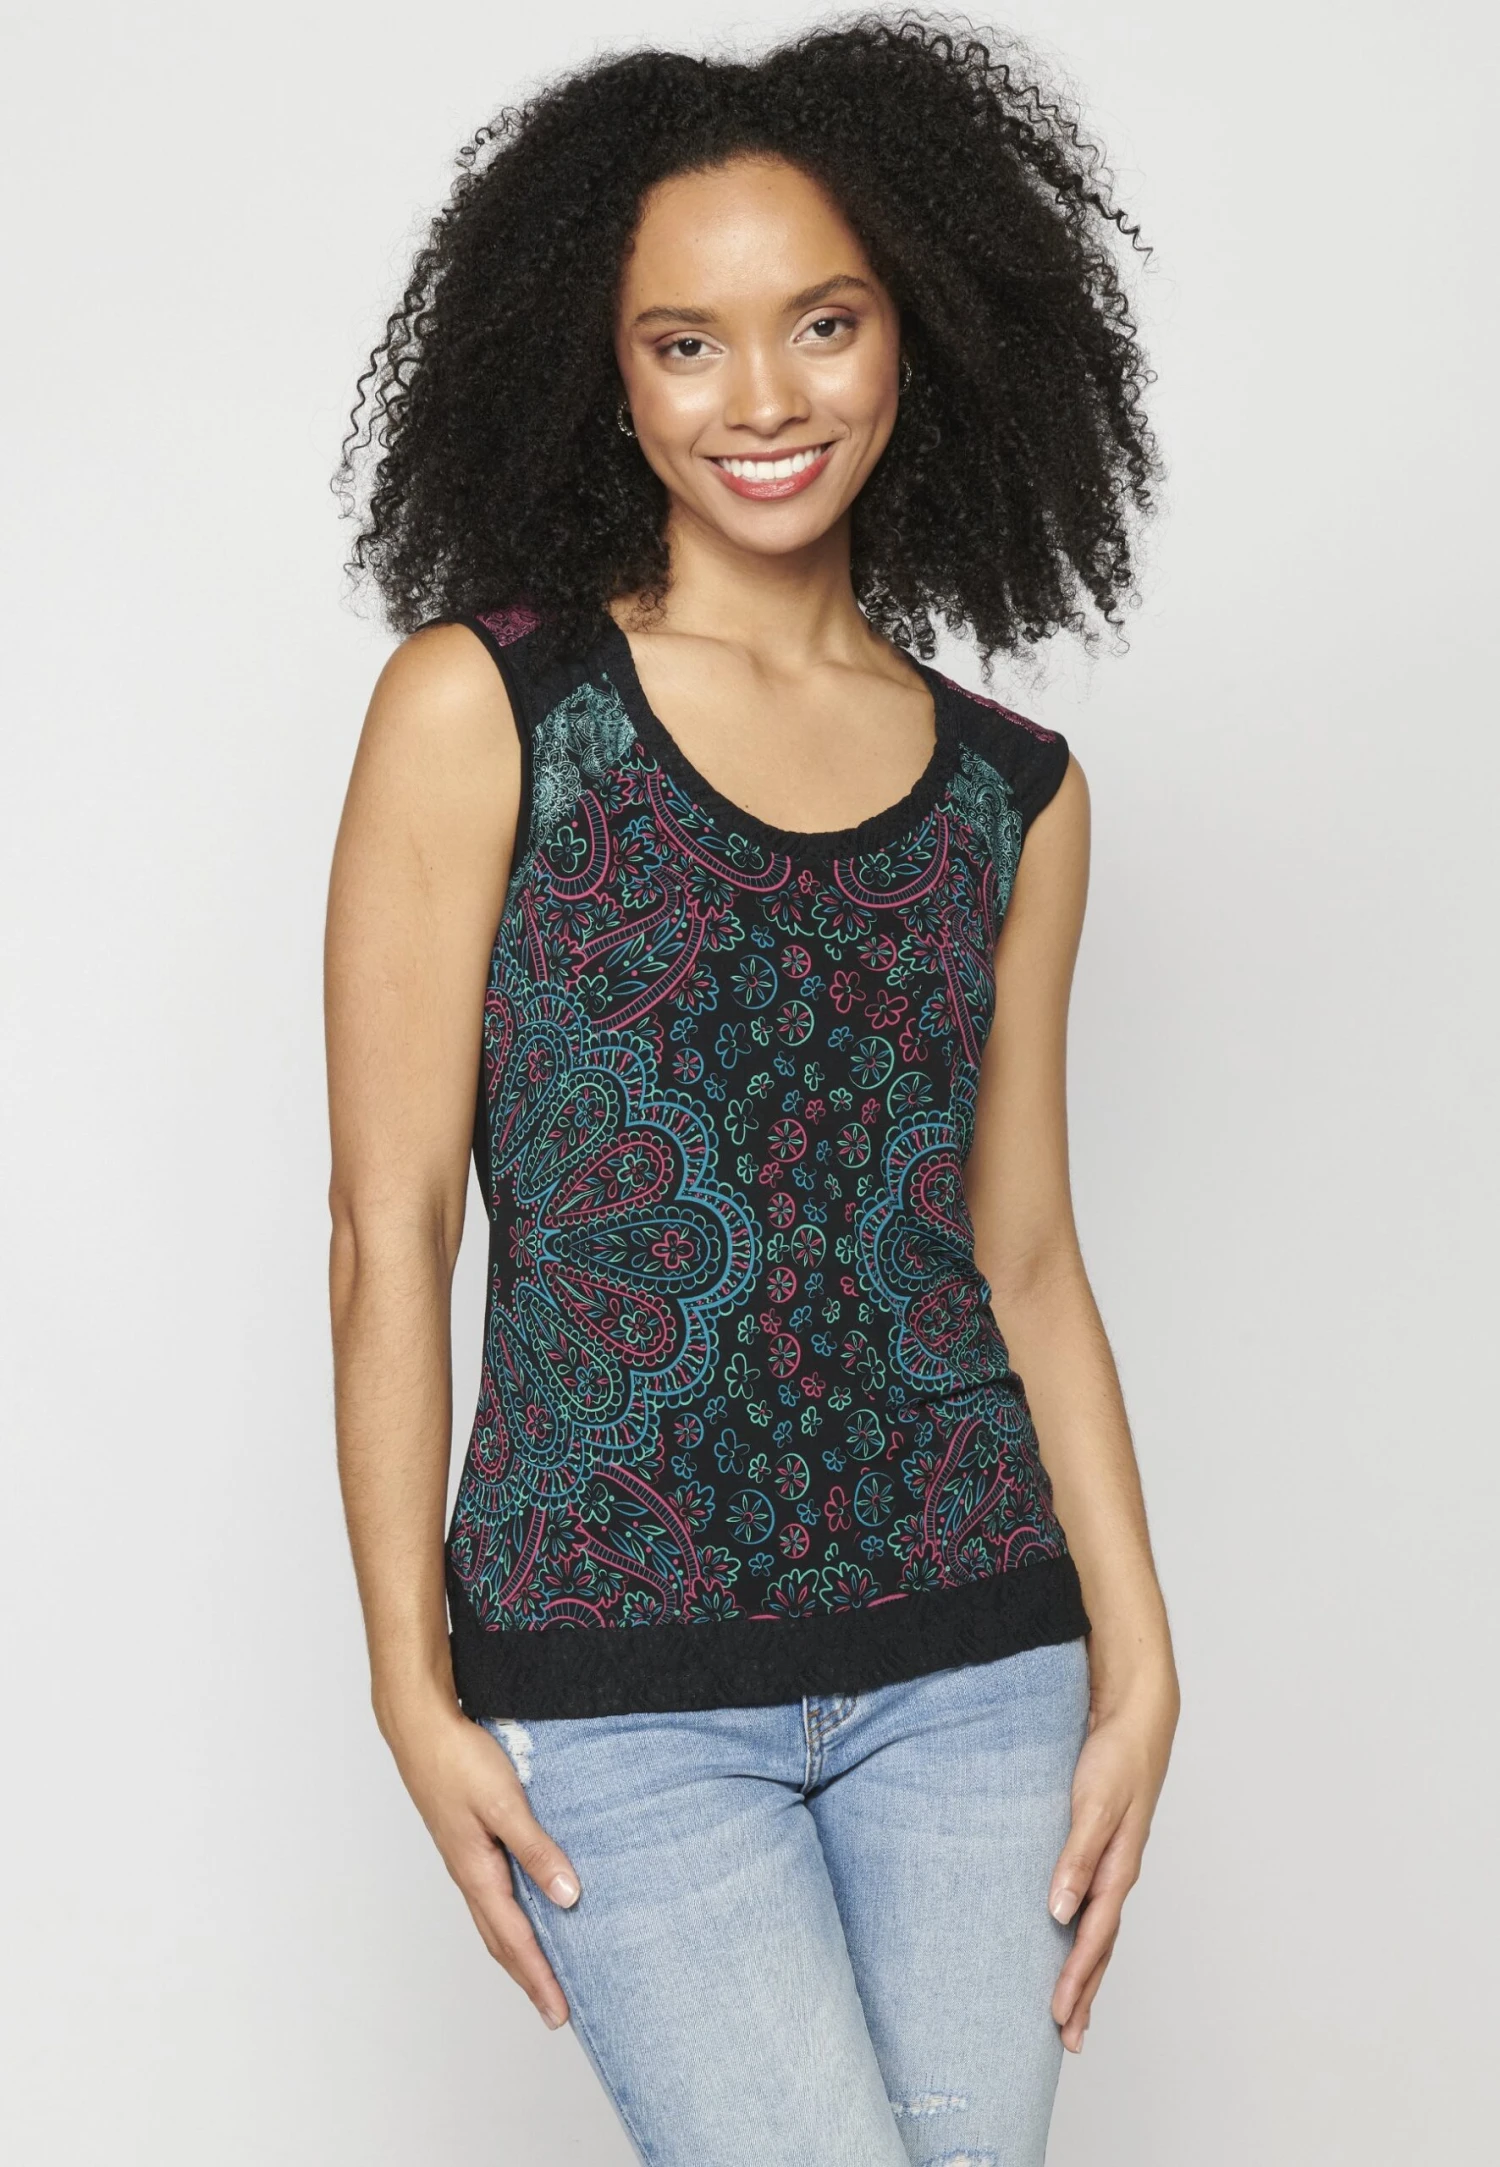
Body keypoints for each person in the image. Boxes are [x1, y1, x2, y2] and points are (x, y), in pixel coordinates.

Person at [325, 18, 1179, 2164]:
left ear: (918, 330)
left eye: (823, 321)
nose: (765, 398)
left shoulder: (1017, 793)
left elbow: (1026, 1257)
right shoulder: (488, 707)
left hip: (982, 1660)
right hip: (618, 1696)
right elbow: (388, 1226)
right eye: (684, 343)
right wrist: (408, 1678)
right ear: (603, 373)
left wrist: (1143, 1655)